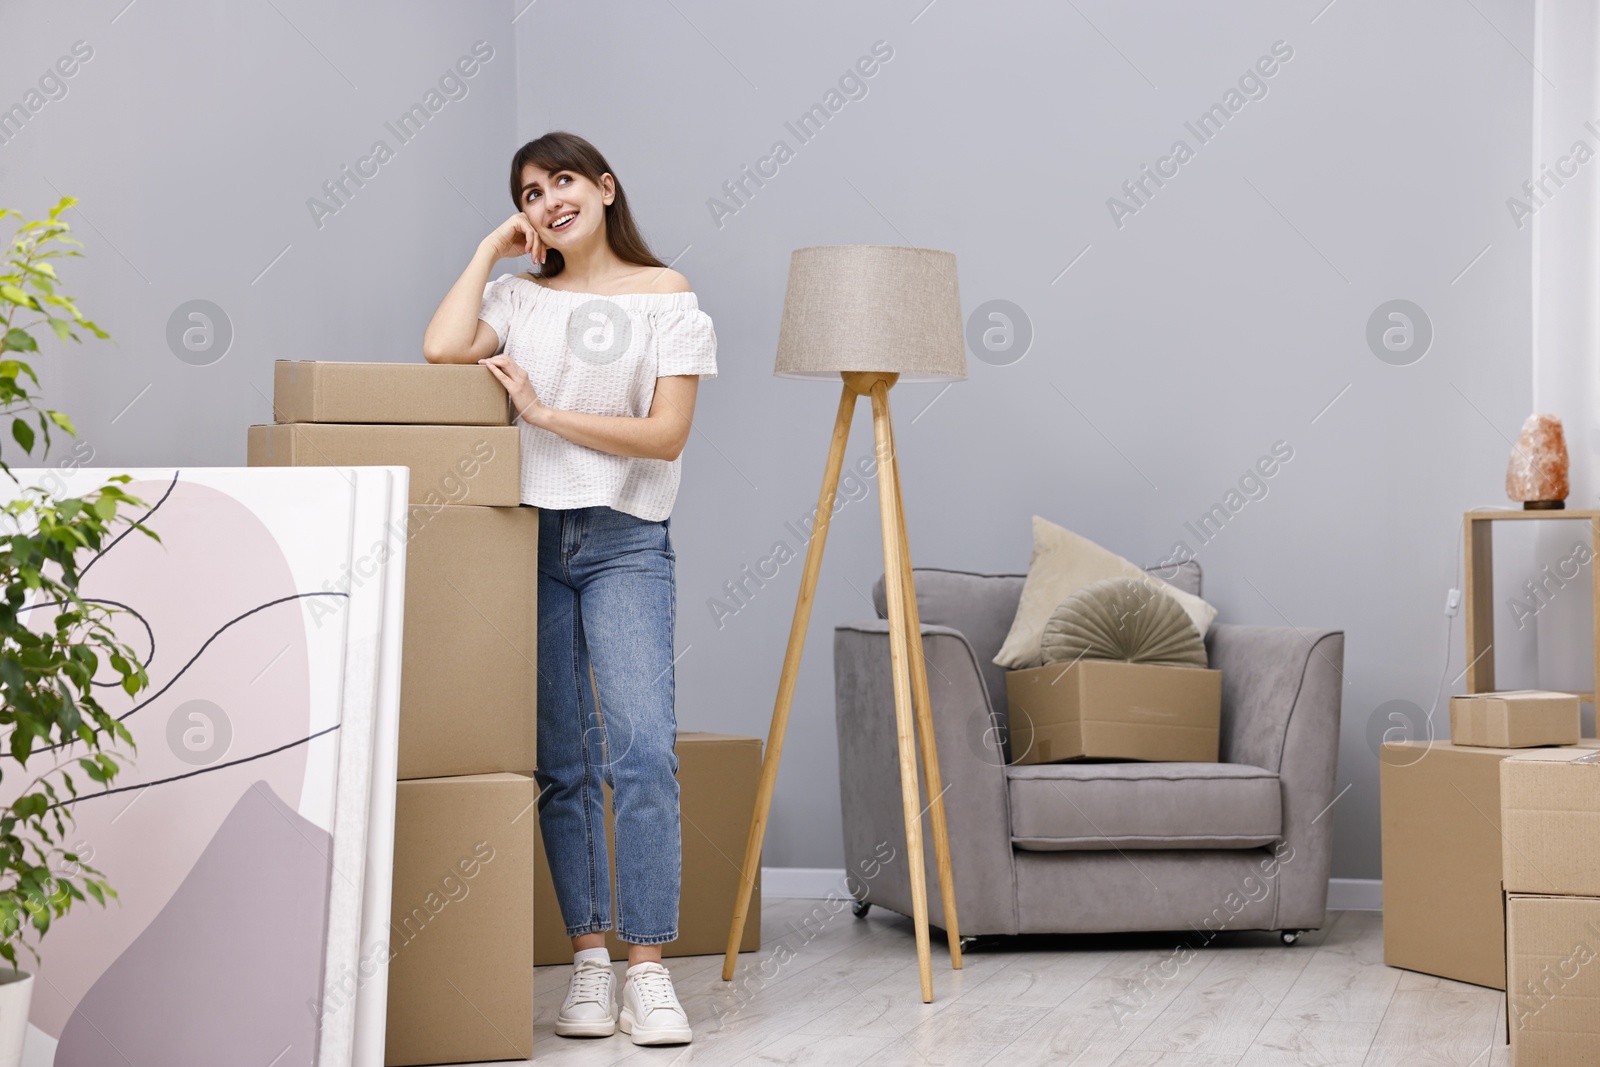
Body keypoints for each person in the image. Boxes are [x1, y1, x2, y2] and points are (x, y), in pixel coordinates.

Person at [422, 130, 716, 1047]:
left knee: (642, 748)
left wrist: (544, 414)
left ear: (603, 185)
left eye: (562, 181)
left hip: (625, 538)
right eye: (529, 191)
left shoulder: (665, 295)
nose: (548, 199)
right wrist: (486, 251)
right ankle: (588, 962)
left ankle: (648, 970)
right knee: (562, 758)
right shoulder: (517, 299)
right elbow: (442, 347)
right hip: (531, 537)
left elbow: (666, 434)